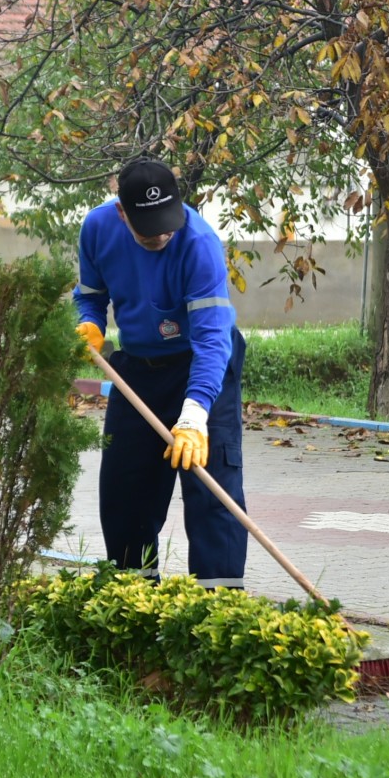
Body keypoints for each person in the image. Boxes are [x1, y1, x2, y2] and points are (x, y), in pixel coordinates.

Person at [73, 157, 248, 589]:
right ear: (122, 212)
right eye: (148, 229)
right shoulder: (97, 228)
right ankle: (134, 596)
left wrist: (194, 416)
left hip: (202, 365)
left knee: (211, 489)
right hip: (136, 369)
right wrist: (90, 324)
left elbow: (212, 339)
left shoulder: (200, 243)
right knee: (125, 487)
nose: (161, 235)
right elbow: (91, 295)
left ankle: (219, 605)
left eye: (167, 225)